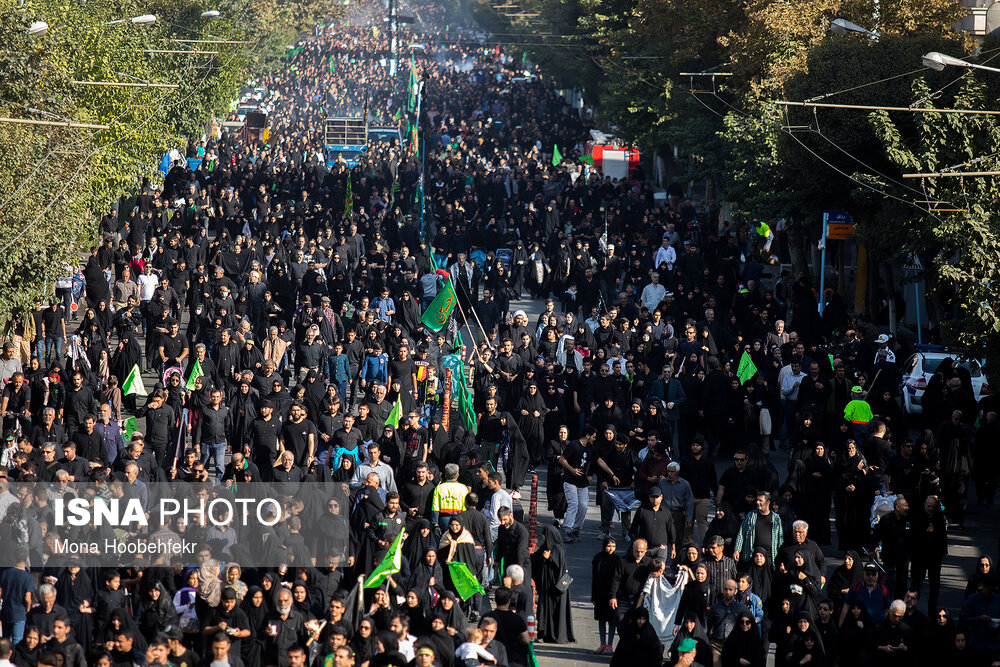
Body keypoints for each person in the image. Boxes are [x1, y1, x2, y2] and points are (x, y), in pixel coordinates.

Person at [530, 526, 574, 644]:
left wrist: (548, 559)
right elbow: (535, 560)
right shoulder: (545, 547)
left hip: (555, 588)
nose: (543, 537)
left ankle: (556, 635)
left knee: (555, 612)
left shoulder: (558, 549)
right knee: (544, 610)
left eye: (544, 534)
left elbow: (559, 569)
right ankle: (544, 633)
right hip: (546, 587)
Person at [733, 492, 783, 564]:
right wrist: (737, 550)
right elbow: (741, 533)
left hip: (769, 557)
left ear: (768, 502)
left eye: (760, 500)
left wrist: (780, 557)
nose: (757, 502)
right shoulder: (751, 515)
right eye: (757, 500)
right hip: (752, 555)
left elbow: (780, 539)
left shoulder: (776, 518)